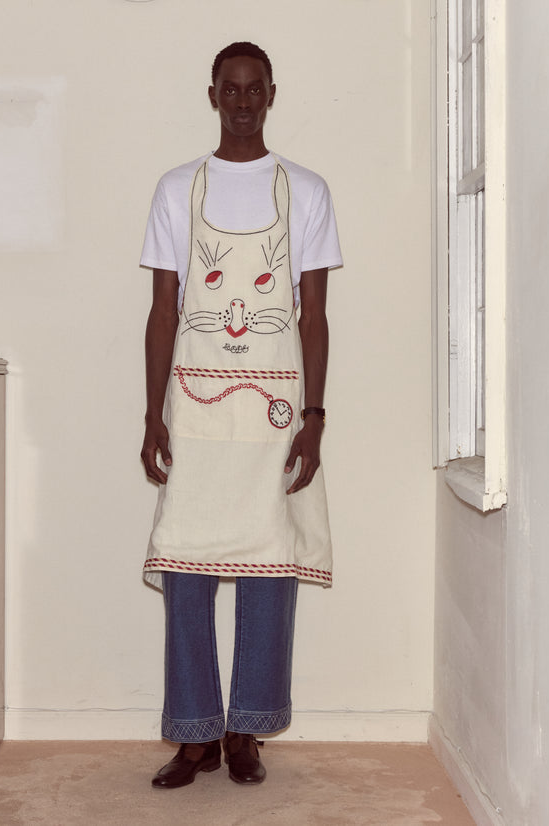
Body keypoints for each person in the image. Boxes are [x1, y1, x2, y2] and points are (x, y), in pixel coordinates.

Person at [140, 41, 342, 789]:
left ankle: (245, 730)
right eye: (232, 88)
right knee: (187, 563)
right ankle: (193, 734)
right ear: (213, 94)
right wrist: (151, 412)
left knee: (268, 564)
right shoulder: (175, 189)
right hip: (193, 399)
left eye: (256, 89)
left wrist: (314, 417)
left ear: (272, 94)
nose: (244, 100)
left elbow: (313, 317)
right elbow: (164, 311)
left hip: (276, 405)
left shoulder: (307, 191)